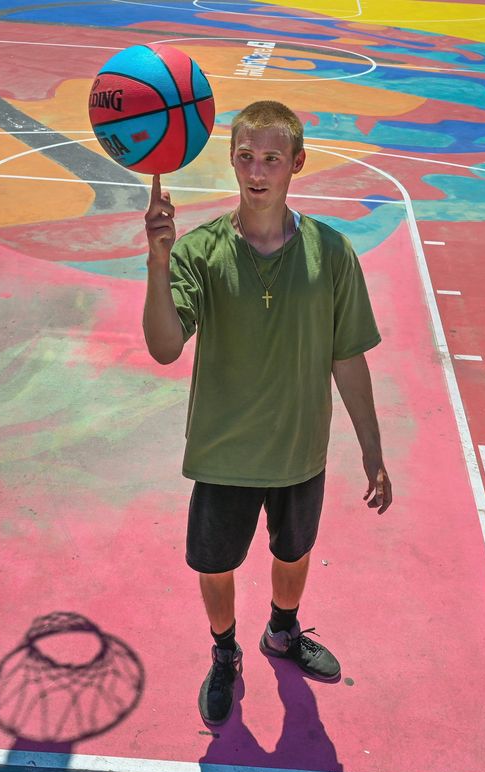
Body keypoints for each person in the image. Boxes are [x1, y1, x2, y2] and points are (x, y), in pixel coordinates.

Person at [141, 100, 393, 726]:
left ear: (296, 164)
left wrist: (372, 450)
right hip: (224, 452)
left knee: (293, 552)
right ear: (231, 160)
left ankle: (282, 631)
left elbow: (348, 358)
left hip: (298, 450)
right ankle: (224, 652)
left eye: (271, 158)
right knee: (217, 564)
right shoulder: (199, 250)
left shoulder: (331, 253)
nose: (257, 170)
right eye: (246, 156)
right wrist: (156, 258)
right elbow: (166, 347)